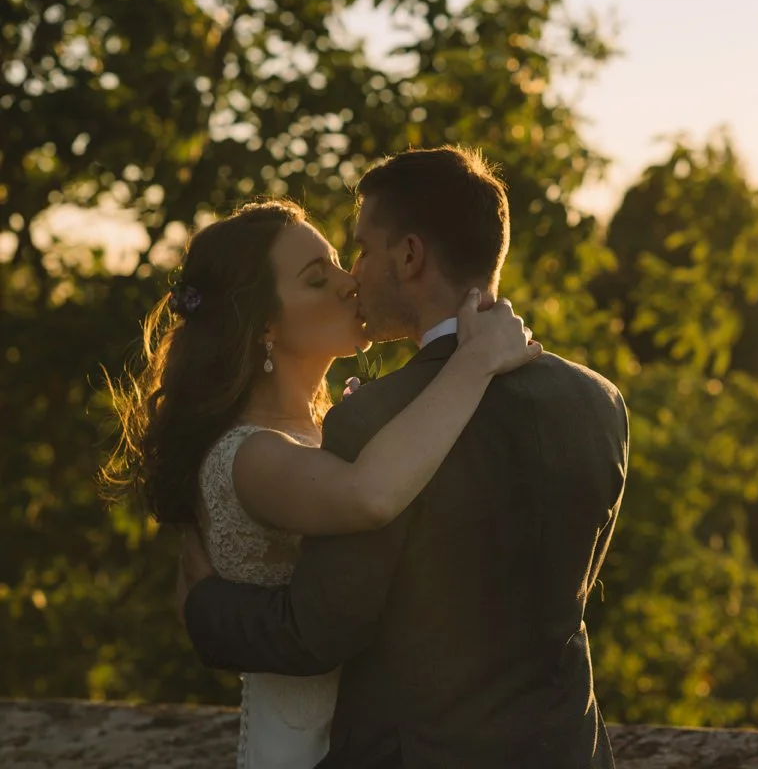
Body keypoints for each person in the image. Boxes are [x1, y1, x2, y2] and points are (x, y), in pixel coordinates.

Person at [179, 146, 628, 768]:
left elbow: (321, 630)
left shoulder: (372, 421)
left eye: (359, 251)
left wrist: (201, 605)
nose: (352, 277)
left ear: (410, 255)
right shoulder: (599, 401)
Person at [104, 196, 539, 769]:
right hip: (307, 749)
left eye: (339, 261)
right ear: (264, 323)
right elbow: (369, 496)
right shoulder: (248, 454)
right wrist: (474, 361)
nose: (349, 282)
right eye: (317, 280)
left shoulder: (321, 428)